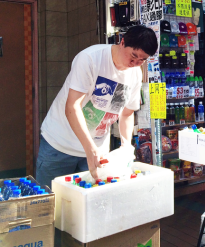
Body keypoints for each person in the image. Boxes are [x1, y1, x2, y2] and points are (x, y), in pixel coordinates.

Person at [37, 26, 158, 188]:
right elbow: (72, 107)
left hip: (97, 150)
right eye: (133, 56)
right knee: (50, 202)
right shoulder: (90, 58)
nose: (135, 63)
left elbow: (127, 113)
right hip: (60, 144)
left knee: (89, 205)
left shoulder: (135, 73)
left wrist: (126, 145)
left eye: (142, 60)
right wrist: (90, 149)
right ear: (122, 42)